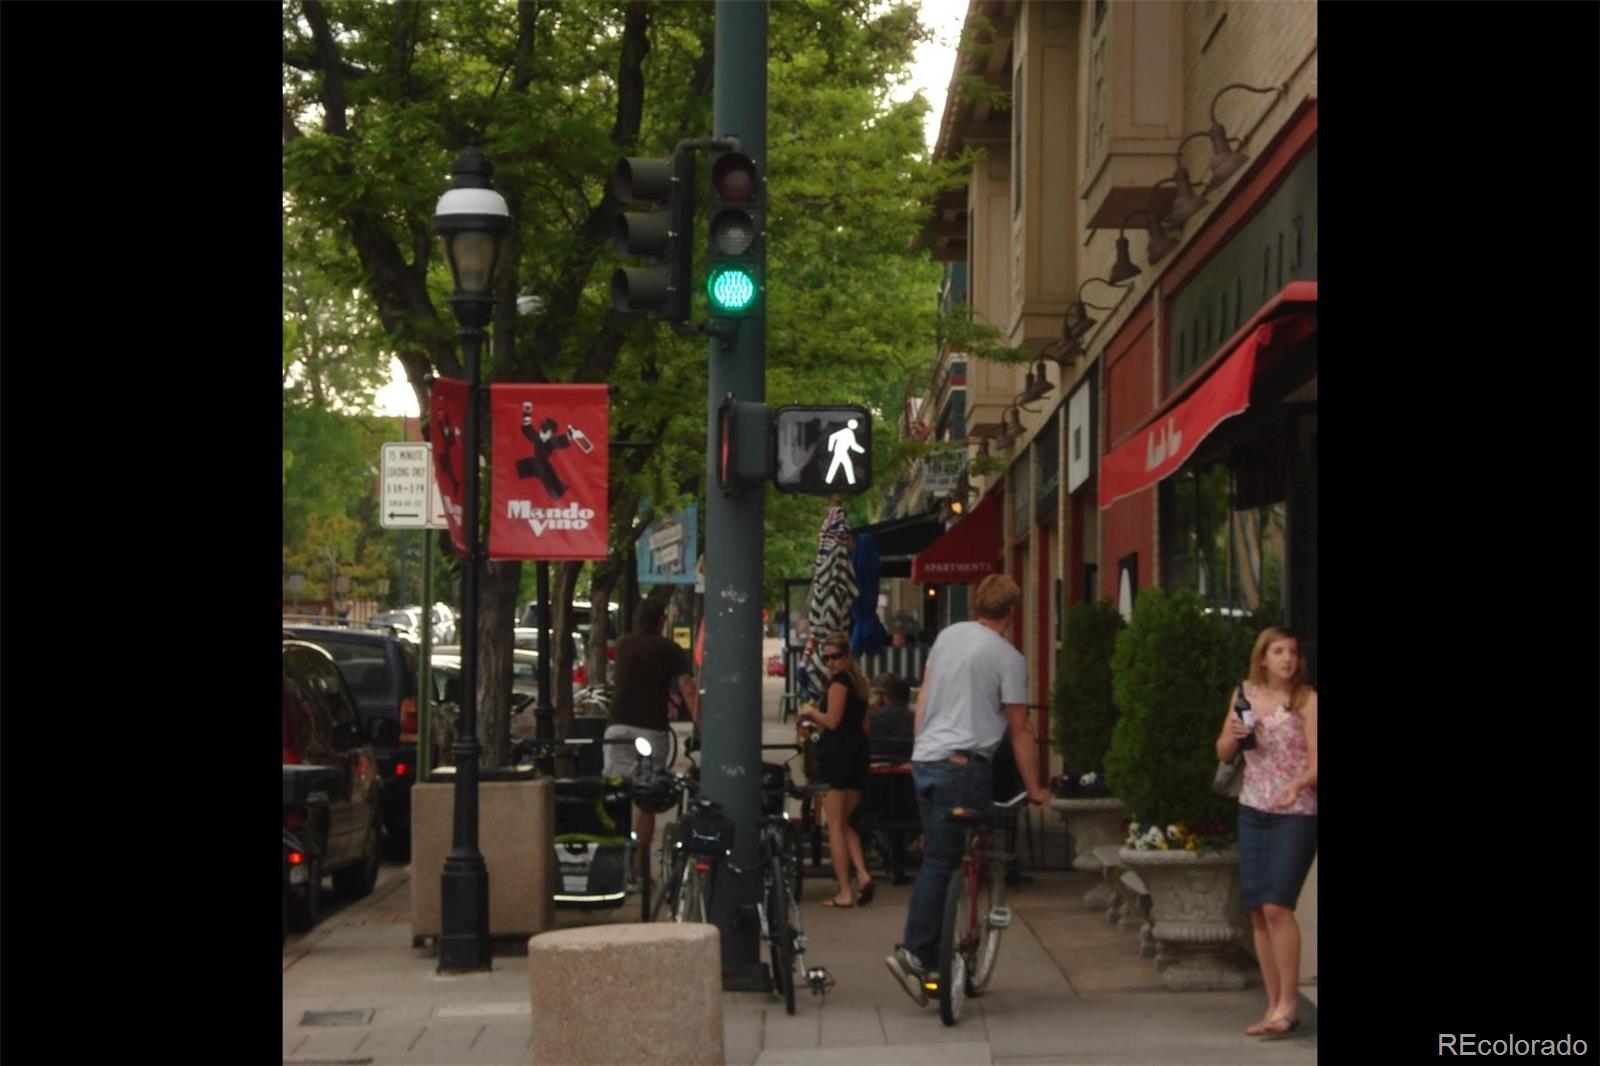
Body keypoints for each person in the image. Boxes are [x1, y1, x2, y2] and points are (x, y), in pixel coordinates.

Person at [884, 573, 1052, 1006]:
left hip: (926, 761)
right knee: (944, 859)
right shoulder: (1009, 658)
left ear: (976, 604)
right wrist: (1034, 787)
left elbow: (924, 696)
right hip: (963, 766)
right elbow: (1019, 728)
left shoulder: (948, 637)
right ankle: (915, 951)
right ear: (1011, 614)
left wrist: (920, 747)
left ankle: (938, 959)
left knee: (937, 853)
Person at [1216, 626, 1318, 1040]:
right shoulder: (1246, 694)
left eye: (1292, 652)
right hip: (1252, 808)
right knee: (1258, 909)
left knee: (1278, 905)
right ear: (1262, 658)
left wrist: (1298, 784)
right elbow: (1223, 752)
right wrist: (1234, 736)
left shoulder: (1308, 700)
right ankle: (1274, 1002)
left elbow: (1317, 761)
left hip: (1296, 811)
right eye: (1278, 652)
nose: (1287, 659)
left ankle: (1290, 1005)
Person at [603, 599, 699, 880]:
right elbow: (687, 689)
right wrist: (700, 726)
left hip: (617, 727)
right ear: (661, 622)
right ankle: (641, 868)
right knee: (646, 798)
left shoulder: (623, 645)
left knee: (617, 793)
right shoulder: (669, 649)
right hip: (650, 729)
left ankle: (615, 863)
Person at [795, 632, 875, 908]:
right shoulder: (860, 685)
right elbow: (865, 726)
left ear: (846, 656)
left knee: (835, 827)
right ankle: (863, 875)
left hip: (837, 758)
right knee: (846, 822)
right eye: (826, 657)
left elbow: (832, 720)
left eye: (835, 656)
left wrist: (809, 713)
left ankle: (844, 891)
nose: (830, 662)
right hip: (857, 756)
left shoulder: (839, 683)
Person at [866, 674, 915, 884]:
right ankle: (897, 852)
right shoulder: (915, 721)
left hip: (876, 793)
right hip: (910, 794)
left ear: (885, 697)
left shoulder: (874, 720)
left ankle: (884, 848)